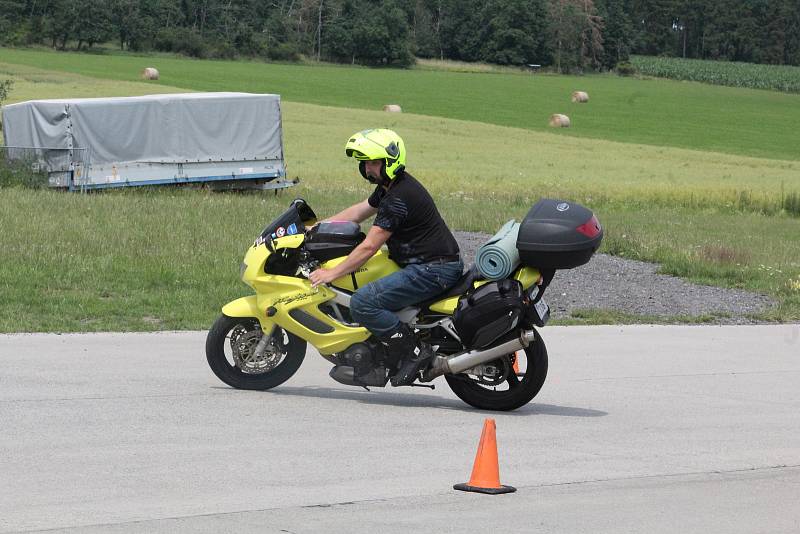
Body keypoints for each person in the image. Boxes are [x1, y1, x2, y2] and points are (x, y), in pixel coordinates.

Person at [309, 128, 463, 386]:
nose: (368, 169)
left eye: (373, 163)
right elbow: (360, 211)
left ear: (390, 162)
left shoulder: (398, 198)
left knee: (363, 303)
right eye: (366, 163)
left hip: (432, 269)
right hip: (429, 264)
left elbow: (369, 246)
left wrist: (332, 273)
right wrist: (317, 227)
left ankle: (414, 352)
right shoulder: (390, 188)